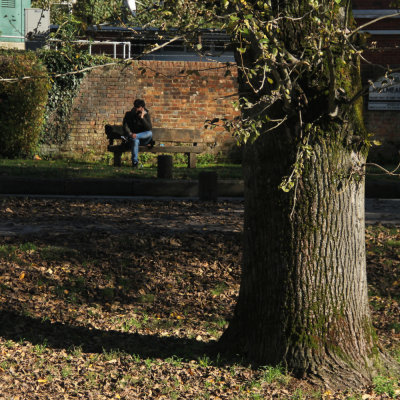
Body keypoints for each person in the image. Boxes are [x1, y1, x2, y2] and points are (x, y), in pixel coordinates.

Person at [123, 99, 154, 167]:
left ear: (142, 108)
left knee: (150, 133)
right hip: (133, 139)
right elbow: (125, 127)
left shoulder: (146, 115)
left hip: (144, 140)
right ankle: (135, 163)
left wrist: (142, 118)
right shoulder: (128, 114)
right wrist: (131, 134)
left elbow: (149, 128)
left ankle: (136, 136)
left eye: (138, 107)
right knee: (135, 141)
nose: (136, 108)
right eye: (135, 107)